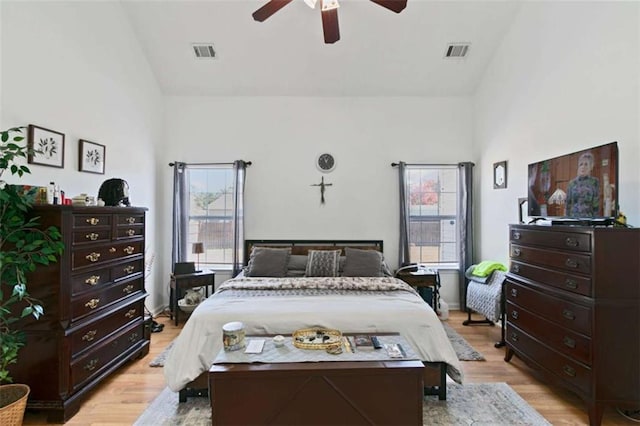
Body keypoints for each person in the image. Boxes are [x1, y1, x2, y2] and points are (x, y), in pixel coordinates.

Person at [566, 152, 599, 217]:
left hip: (588, 221)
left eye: (586, 164)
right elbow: (567, 205)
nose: (583, 167)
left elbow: (596, 206)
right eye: (581, 164)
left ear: (591, 167)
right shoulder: (572, 183)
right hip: (573, 221)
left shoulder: (594, 182)